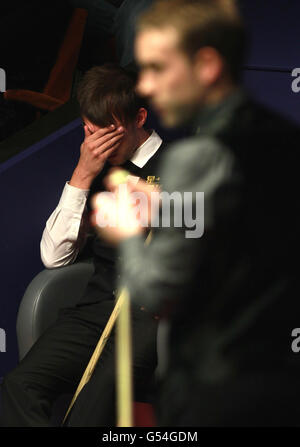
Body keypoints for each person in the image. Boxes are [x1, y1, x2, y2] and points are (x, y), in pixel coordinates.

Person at [91, 0, 300, 426]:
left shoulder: (196, 155)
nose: (146, 87)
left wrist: (129, 230)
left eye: (158, 69)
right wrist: (169, 206)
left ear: (205, 65)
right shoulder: (278, 135)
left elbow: (152, 290)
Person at [0, 65, 167, 427]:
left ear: (139, 117)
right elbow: (54, 257)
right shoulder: (95, 169)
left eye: (106, 133)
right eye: (89, 133)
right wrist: (82, 173)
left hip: (150, 319)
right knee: (19, 385)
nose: (97, 145)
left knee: (91, 406)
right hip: (96, 311)